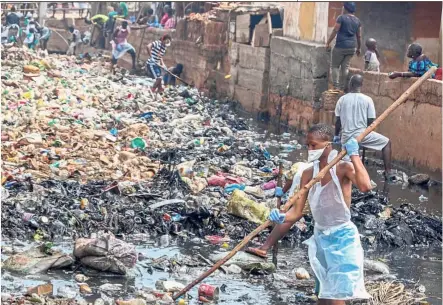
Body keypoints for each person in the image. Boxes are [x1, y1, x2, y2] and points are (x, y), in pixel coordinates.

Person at [250, 124, 372, 304]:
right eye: (307, 145)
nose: (310, 149)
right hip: (321, 238)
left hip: (343, 239)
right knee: (324, 293)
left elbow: (365, 186)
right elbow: (297, 212)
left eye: (314, 145)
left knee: (338, 295)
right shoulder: (308, 174)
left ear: (328, 144)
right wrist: (281, 216)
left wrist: (354, 155)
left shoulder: (343, 168)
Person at [333, 74, 392, 179]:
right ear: (361, 85)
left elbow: (338, 121)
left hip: (346, 136)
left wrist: (336, 135)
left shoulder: (342, 100)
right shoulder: (367, 99)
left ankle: (346, 178)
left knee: (347, 161)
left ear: (350, 84)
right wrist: (367, 132)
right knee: (386, 143)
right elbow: (371, 120)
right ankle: (388, 172)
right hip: (362, 134)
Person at [326, 2, 361, 91]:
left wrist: (328, 42)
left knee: (335, 66)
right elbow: (359, 36)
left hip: (340, 46)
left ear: (345, 9)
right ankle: (342, 87)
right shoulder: (357, 21)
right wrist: (359, 48)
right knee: (345, 67)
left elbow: (335, 30)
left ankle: (336, 86)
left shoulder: (341, 18)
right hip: (352, 47)